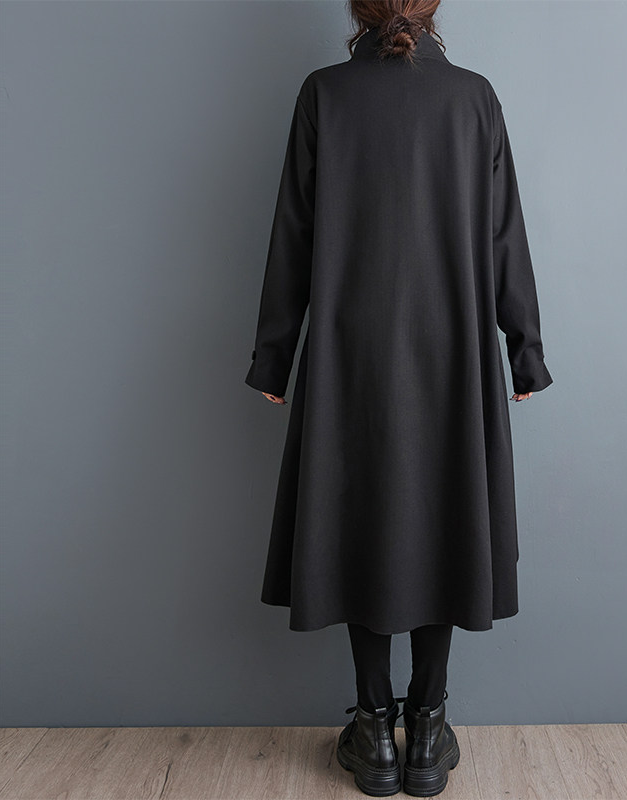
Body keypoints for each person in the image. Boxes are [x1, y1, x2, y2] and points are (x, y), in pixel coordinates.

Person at [244, 0, 553, 796]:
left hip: (350, 352)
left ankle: (375, 729)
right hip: (452, 351)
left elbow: (293, 233)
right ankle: (429, 727)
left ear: (359, 9)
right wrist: (524, 351)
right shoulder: (474, 98)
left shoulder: (325, 94)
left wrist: (275, 357)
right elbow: (504, 232)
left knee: (361, 522)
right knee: (446, 519)